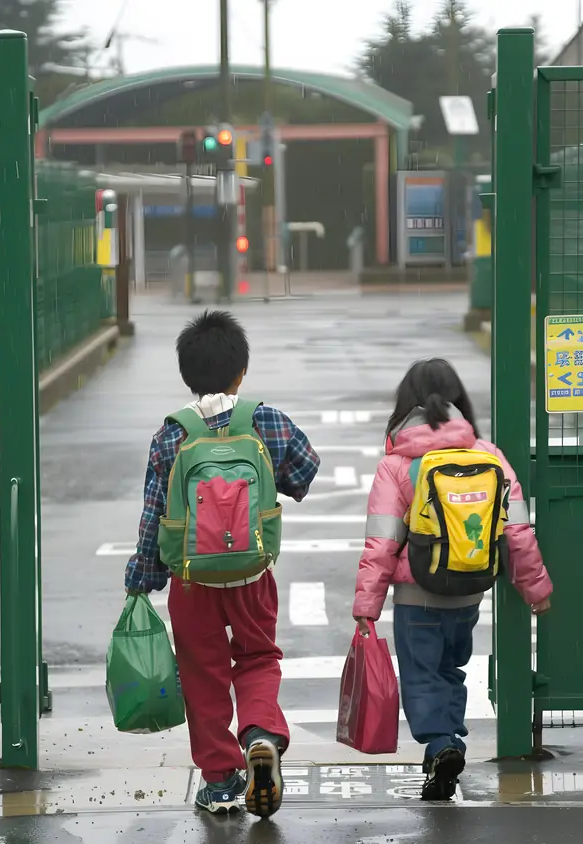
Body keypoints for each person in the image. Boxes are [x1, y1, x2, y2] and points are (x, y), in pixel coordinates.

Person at [125, 310, 320, 817]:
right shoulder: (265, 420)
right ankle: (259, 734)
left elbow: (154, 514)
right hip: (252, 571)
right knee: (257, 656)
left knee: (202, 672)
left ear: (188, 376)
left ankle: (218, 781)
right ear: (241, 372)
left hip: (192, 579)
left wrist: (143, 577)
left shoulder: (172, 435)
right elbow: (306, 470)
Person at [352, 358, 552, 801]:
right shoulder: (489, 455)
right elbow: (517, 532)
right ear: (458, 401)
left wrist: (366, 607)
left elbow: (382, 544)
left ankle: (441, 746)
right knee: (451, 670)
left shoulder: (398, 465)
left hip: (416, 594)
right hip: (468, 592)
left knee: (421, 675)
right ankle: (448, 749)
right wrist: (536, 590)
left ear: (405, 405)